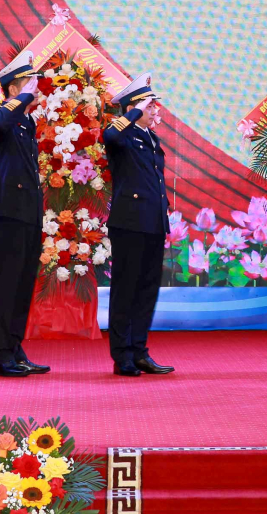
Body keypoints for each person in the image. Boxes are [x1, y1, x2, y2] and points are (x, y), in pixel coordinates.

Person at [103, 72, 173, 377]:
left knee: (147, 290)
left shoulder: (150, 138)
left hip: (153, 222)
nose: (155, 110)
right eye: (149, 105)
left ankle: (140, 351)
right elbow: (110, 136)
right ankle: (123, 355)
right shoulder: (122, 135)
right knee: (126, 289)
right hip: (130, 223)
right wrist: (133, 113)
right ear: (133, 108)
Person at [0, 52, 50, 377]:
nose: (35, 89)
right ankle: (0, 355)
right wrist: (23, 97)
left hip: (28, 214)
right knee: (7, 286)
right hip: (9, 214)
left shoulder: (26, 122)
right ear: (13, 88)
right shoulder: (0, 117)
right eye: (29, 83)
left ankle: (14, 348)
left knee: (23, 287)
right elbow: (0, 122)